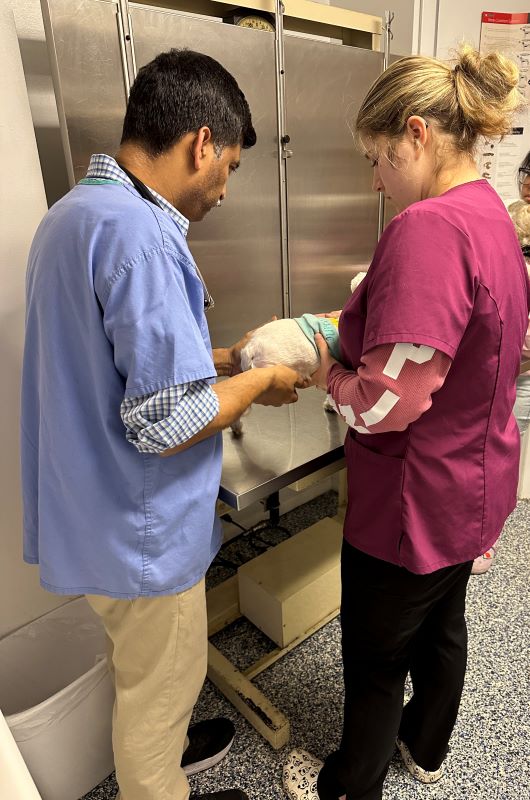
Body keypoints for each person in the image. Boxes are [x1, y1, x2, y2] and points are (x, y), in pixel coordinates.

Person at [21, 49, 305, 800]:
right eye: (232, 167)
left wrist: (216, 357)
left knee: (145, 679)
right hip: (139, 536)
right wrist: (258, 381)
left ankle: (173, 752)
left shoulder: (73, 216)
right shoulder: (146, 238)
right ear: (202, 143)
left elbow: (107, 365)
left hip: (92, 518)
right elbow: (162, 423)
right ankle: (160, 781)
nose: (223, 188)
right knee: (155, 701)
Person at [282, 45, 530, 800]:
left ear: (416, 134)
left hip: (409, 503)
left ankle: (348, 786)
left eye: (376, 158)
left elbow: (387, 404)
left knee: (378, 658)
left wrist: (321, 365)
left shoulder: (428, 231)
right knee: (444, 626)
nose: (374, 180)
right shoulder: (493, 214)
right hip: (474, 486)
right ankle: (426, 747)